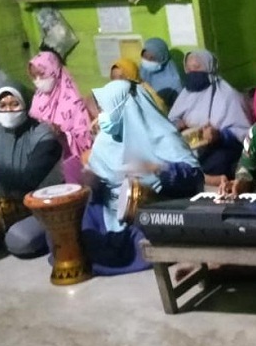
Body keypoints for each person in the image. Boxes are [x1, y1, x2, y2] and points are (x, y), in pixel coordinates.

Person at [82, 79, 202, 275]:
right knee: (77, 231)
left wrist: (158, 169)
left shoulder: (162, 135)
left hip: (154, 209)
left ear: (126, 108)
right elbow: (97, 184)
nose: (102, 116)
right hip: (110, 212)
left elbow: (194, 178)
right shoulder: (105, 141)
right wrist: (91, 181)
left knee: (145, 240)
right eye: (102, 110)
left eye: (107, 109)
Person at [0, 87, 62, 258]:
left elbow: (29, 180)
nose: (8, 110)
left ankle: (20, 233)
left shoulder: (42, 134)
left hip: (39, 205)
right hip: (3, 204)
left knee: (18, 241)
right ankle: (2, 230)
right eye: (2, 105)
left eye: (14, 104)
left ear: (26, 104)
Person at [168, 49, 252, 186]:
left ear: (209, 68)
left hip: (219, 148)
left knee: (219, 161)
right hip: (188, 148)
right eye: (188, 69)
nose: (192, 73)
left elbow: (243, 132)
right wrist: (179, 124)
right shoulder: (185, 95)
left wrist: (219, 135)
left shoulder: (228, 95)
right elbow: (170, 121)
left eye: (196, 68)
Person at [27, 51, 93, 185]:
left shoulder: (73, 101)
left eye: (42, 74)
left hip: (67, 164)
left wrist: (63, 134)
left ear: (54, 71)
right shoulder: (38, 99)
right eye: (34, 76)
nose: (38, 81)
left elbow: (85, 139)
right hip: (43, 161)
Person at [140, 37, 183, 109]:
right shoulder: (142, 70)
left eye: (152, 58)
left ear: (162, 58)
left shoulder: (174, 82)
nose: (147, 61)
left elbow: (178, 109)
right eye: (145, 56)